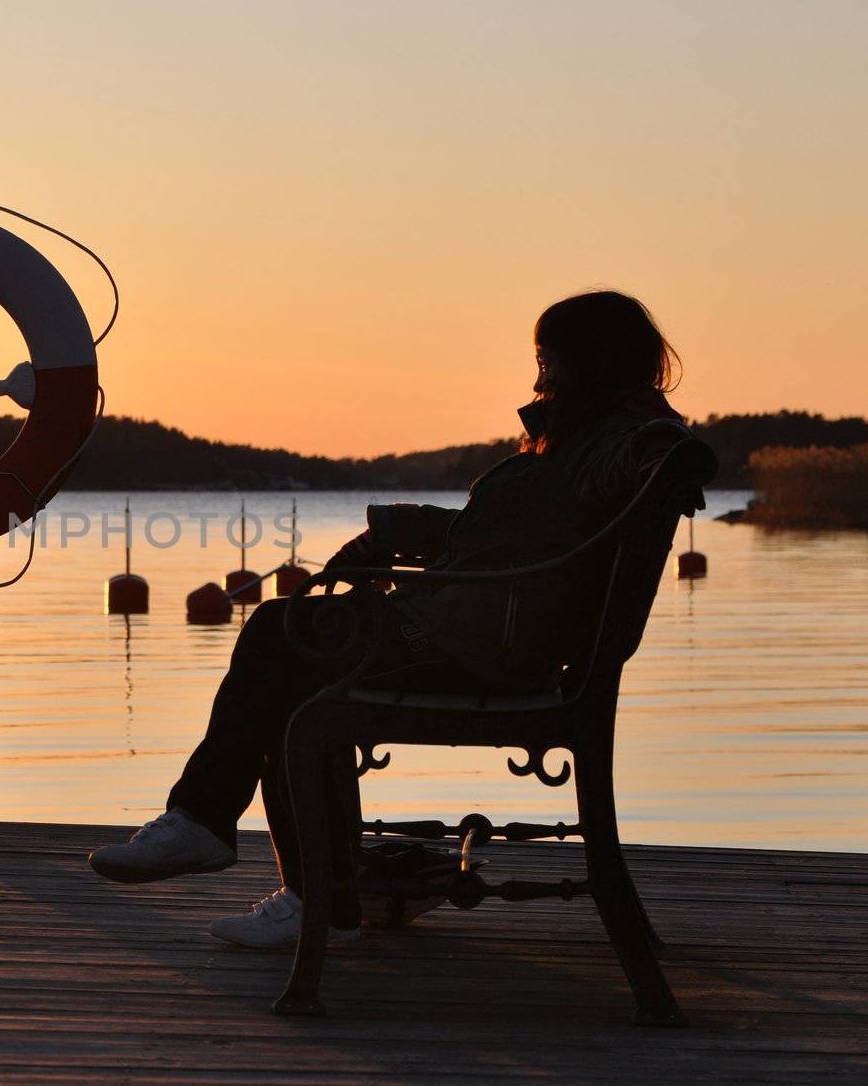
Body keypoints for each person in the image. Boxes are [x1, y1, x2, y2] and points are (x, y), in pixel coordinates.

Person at [88, 290, 686, 947]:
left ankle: (242, 849)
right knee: (290, 653)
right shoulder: (579, 435)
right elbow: (503, 538)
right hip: (474, 632)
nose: (538, 373)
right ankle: (304, 888)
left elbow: (607, 491)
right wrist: (391, 533)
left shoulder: (617, 438)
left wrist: (660, 457)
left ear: (592, 359)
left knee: (280, 635)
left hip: (480, 647)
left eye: (548, 357)